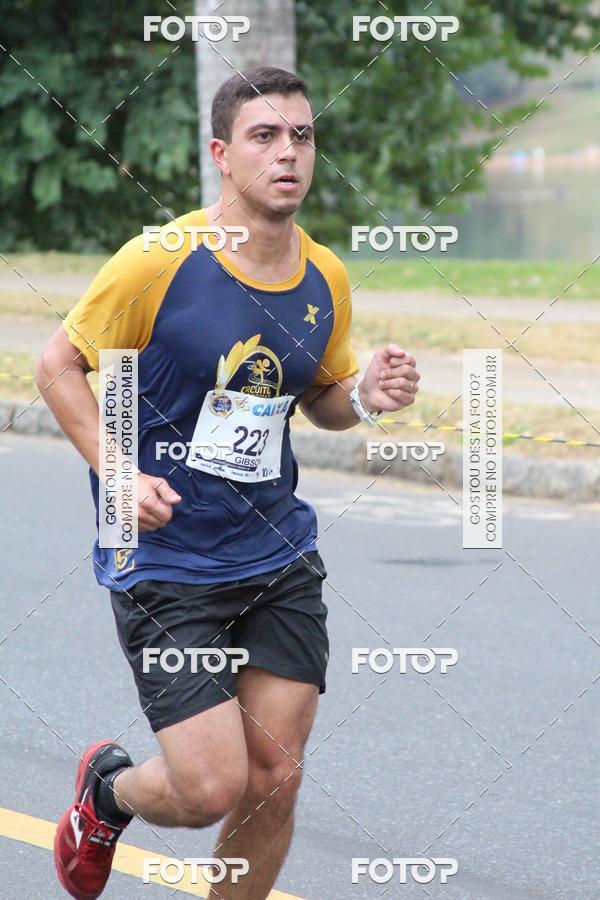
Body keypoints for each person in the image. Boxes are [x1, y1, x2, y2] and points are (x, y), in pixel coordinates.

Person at [38, 66, 420, 899]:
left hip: (274, 551)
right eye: (265, 136)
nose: (288, 152)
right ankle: (107, 792)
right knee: (209, 789)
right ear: (221, 153)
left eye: (302, 135)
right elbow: (58, 365)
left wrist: (363, 396)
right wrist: (118, 471)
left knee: (275, 777)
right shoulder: (159, 262)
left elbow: (319, 396)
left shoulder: (325, 278)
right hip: (167, 557)